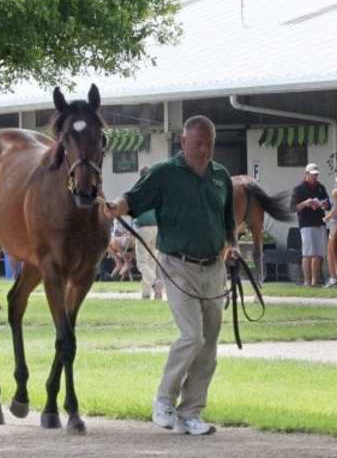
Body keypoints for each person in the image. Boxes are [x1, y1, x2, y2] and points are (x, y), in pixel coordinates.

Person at [106, 115, 237, 436]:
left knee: (208, 346)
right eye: (197, 144)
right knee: (192, 335)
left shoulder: (221, 177)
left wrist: (232, 246)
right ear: (183, 143)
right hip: (178, 264)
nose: (204, 150)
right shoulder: (165, 174)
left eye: (208, 144)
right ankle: (163, 401)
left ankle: (191, 412)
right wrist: (116, 207)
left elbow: (227, 220)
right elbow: (133, 200)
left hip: (214, 267)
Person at [292, 162, 331, 287]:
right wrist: (305, 203)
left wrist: (324, 205)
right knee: (308, 253)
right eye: (313, 175)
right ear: (306, 174)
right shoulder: (299, 189)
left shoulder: (321, 187)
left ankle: (315, 281)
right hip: (306, 224)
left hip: (319, 222)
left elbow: (328, 205)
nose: (315, 177)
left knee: (319, 253)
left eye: (316, 175)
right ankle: (307, 281)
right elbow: (293, 208)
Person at [133, 167, 164, 300]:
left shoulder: (138, 189)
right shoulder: (156, 190)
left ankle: (155, 283)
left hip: (143, 228)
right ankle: (147, 294)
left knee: (142, 263)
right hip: (156, 228)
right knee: (151, 262)